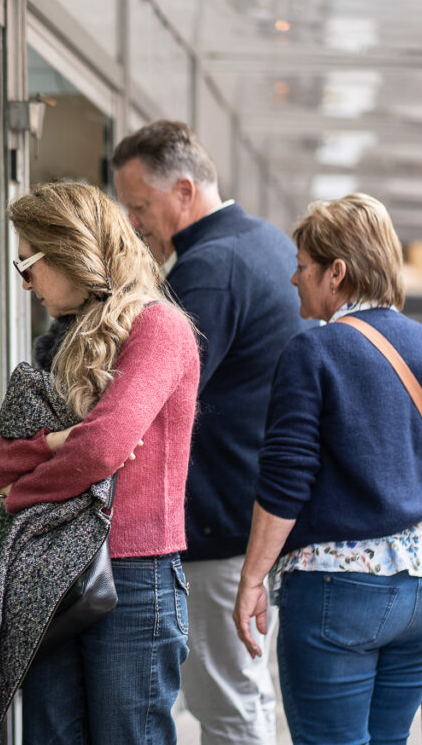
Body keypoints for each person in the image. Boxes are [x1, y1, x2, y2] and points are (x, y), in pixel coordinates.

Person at [232, 194, 422, 745]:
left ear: (337, 272)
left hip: (340, 587)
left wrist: (252, 578)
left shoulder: (314, 352)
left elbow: (287, 479)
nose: (294, 278)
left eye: (302, 266)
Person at [0, 182, 200, 744]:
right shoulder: (64, 338)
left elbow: (100, 449)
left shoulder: (159, 327)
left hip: (134, 575)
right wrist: (55, 444)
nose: (24, 284)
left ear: (68, 251)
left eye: (26, 265)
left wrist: (18, 494)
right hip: (55, 570)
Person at [113, 119, 304, 744]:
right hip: (252, 515)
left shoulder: (209, 268)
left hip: (219, 524)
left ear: (184, 191)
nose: (134, 222)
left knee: (226, 702)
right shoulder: (266, 242)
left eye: (141, 206)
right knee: (241, 694)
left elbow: (151, 397)